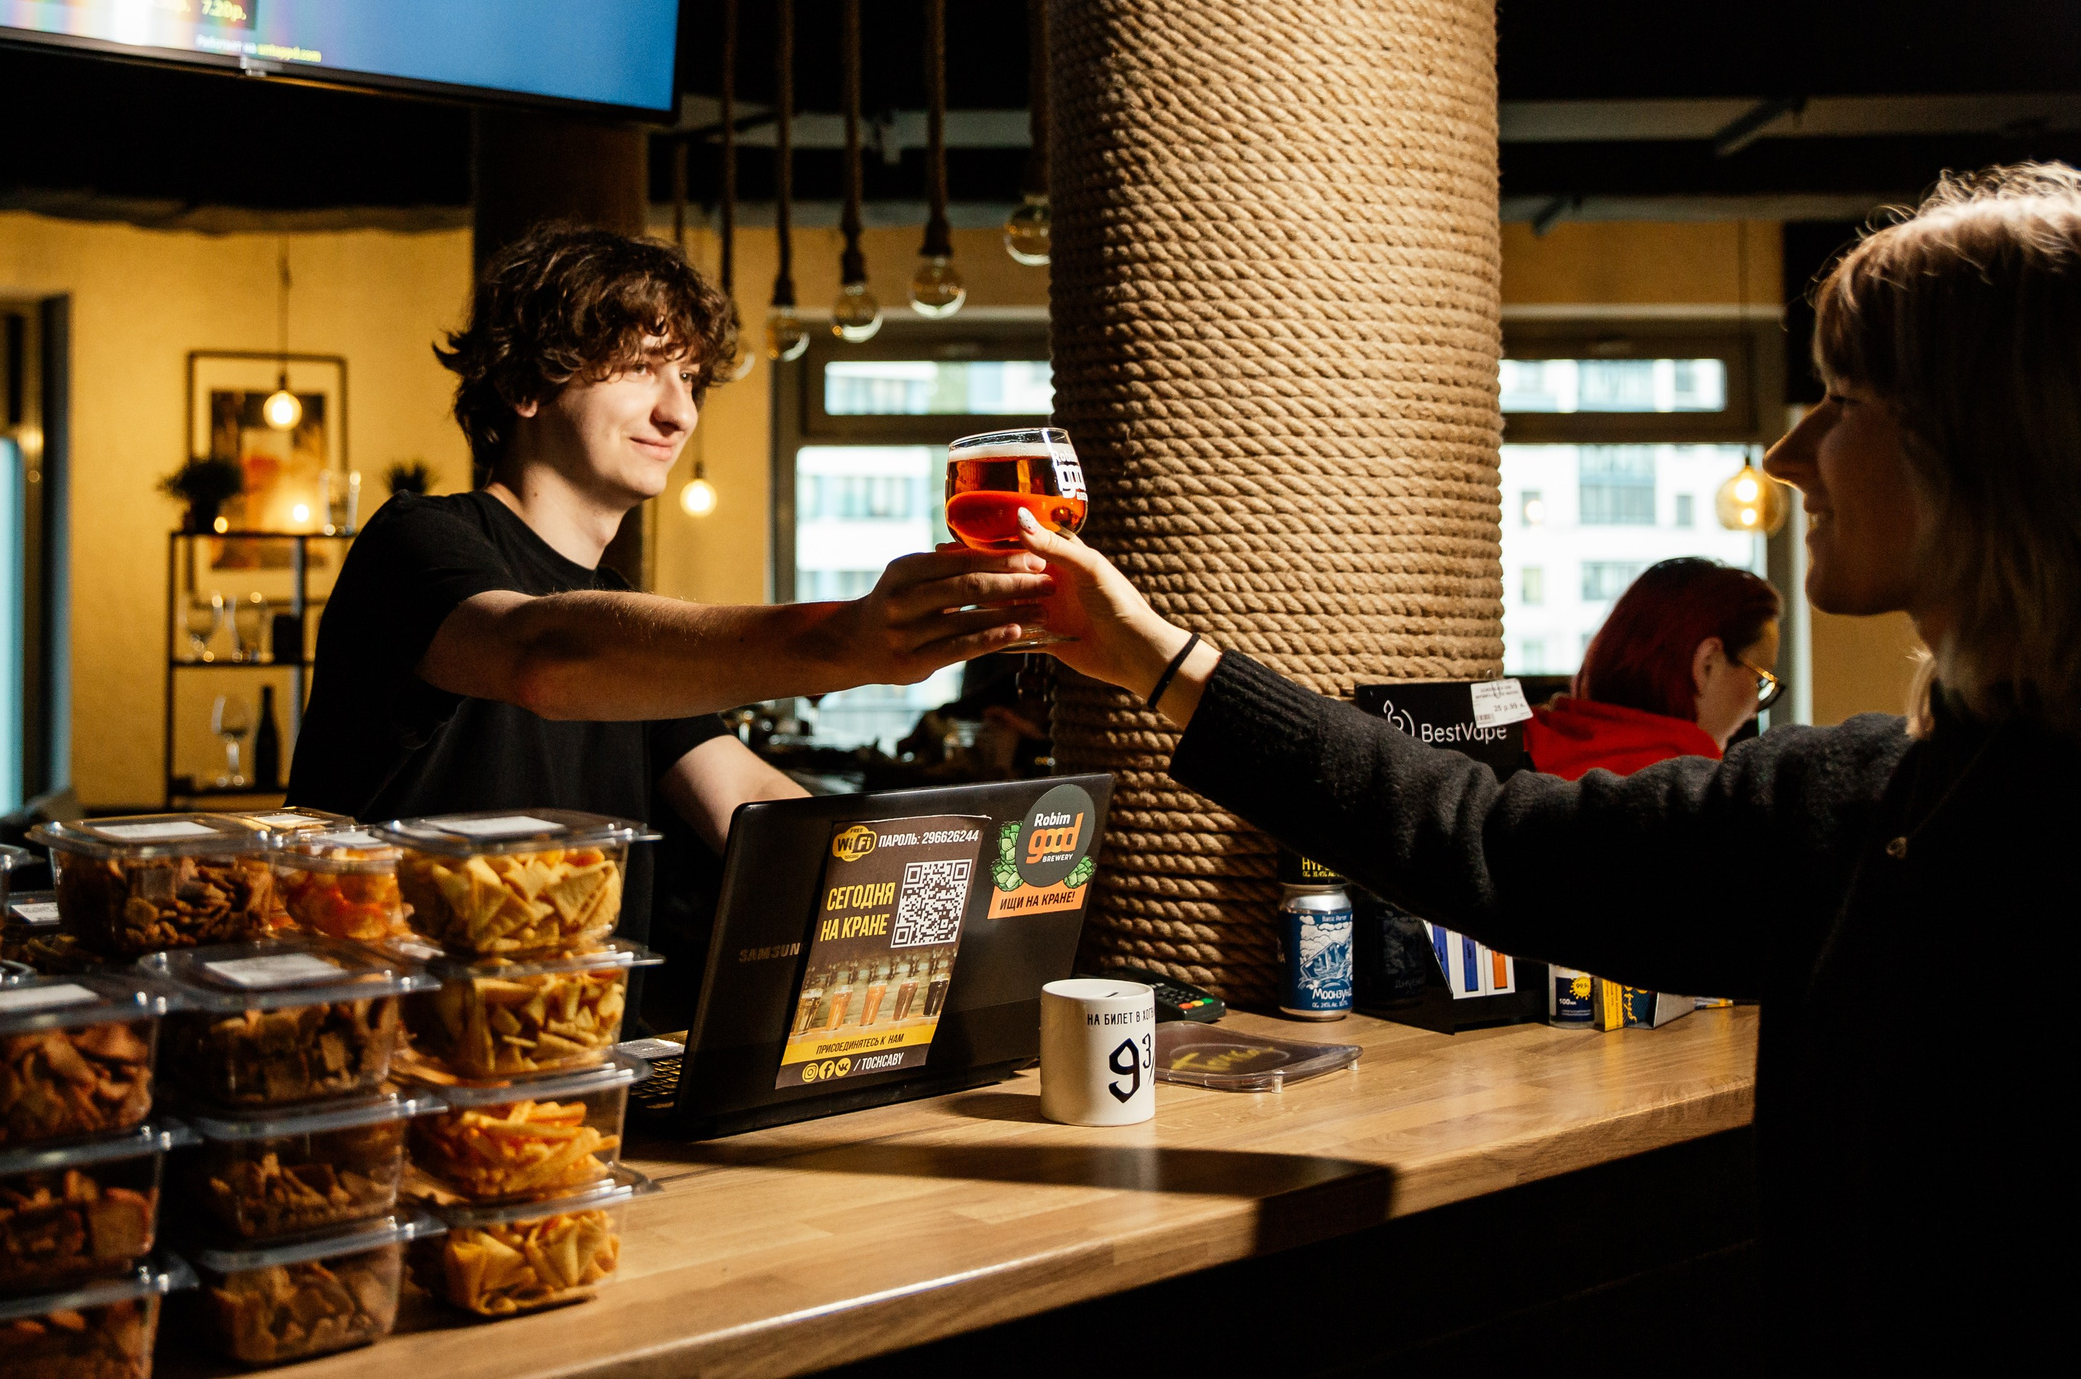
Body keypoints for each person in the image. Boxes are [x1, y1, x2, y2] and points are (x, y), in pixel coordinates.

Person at [1008, 166, 2078, 1362]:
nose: (1788, 452)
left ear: (1987, 443)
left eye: (1843, 399)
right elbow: (1488, 835)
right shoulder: (1870, 797)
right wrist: (1153, 654)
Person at [286, 223, 1049, 1013]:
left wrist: (977, 889)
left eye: (689, 377)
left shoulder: (622, 621)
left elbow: (747, 802)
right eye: (643, 368)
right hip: (404, 1070)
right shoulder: (418, 542)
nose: (678, 413)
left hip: (585, 1065)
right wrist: (840, 641)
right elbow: (543, 659)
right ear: (527, 384)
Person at [1523, 557, 1783, 779]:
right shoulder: (1695, 796)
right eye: (1760, 680)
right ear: (1708, 664)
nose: (1752, 714)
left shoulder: (1521, 740)